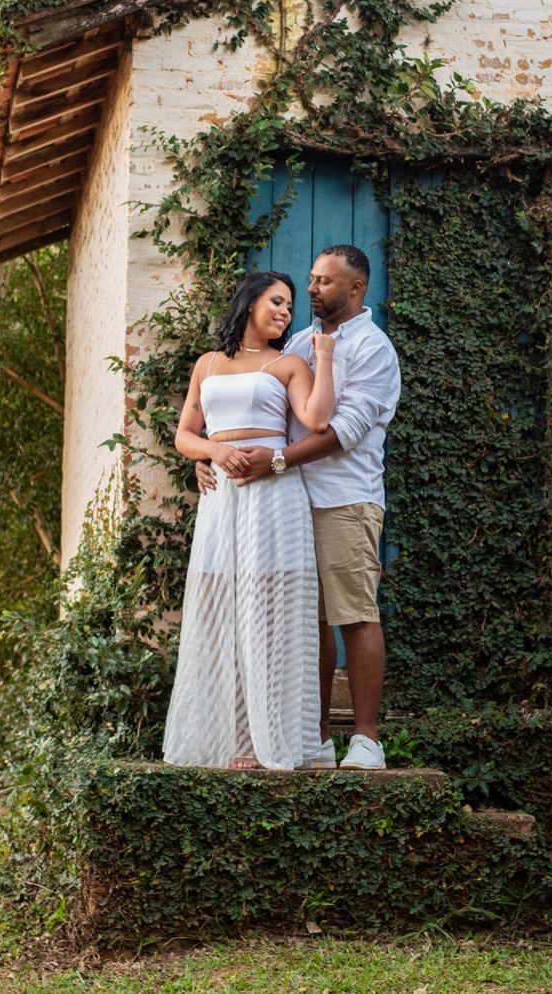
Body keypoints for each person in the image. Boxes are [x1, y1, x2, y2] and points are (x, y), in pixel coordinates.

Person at [199, 245, 401, 770]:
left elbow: (343, 431)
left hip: (342, 500)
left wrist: (276, 462)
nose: (310, 289)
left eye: (323, 281)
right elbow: (258, 414)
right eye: (310, 279)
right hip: (284, 504)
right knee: (304, 623)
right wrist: (210, 455)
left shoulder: (373, 349)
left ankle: (366, 740)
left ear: (356, 288)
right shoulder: (294, 343)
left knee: (352, 614)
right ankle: (315, 739)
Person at [162, 271, 336, 770]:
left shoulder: (290, 364)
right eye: (276, 301)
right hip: (222, 497)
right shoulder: (207, 364)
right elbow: (184, 435)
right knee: (221, 610)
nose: (285, 311)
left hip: (273, 496)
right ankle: (232, 736)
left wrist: (324, 357)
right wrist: (214, 452)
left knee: (270, 612)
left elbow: (318, 419)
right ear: (250, 300)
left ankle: (269, 741)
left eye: (289, 306)